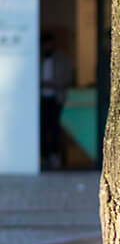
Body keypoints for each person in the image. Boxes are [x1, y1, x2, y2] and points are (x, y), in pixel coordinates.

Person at [39, 32, 73, 170]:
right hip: (41, 98)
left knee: (54, 128)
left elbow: (68, 77)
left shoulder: (62, 59)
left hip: (56, 97)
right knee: (41, 128)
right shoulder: (37, 58)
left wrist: (55, 83)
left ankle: (54, 155)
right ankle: (45, 156)